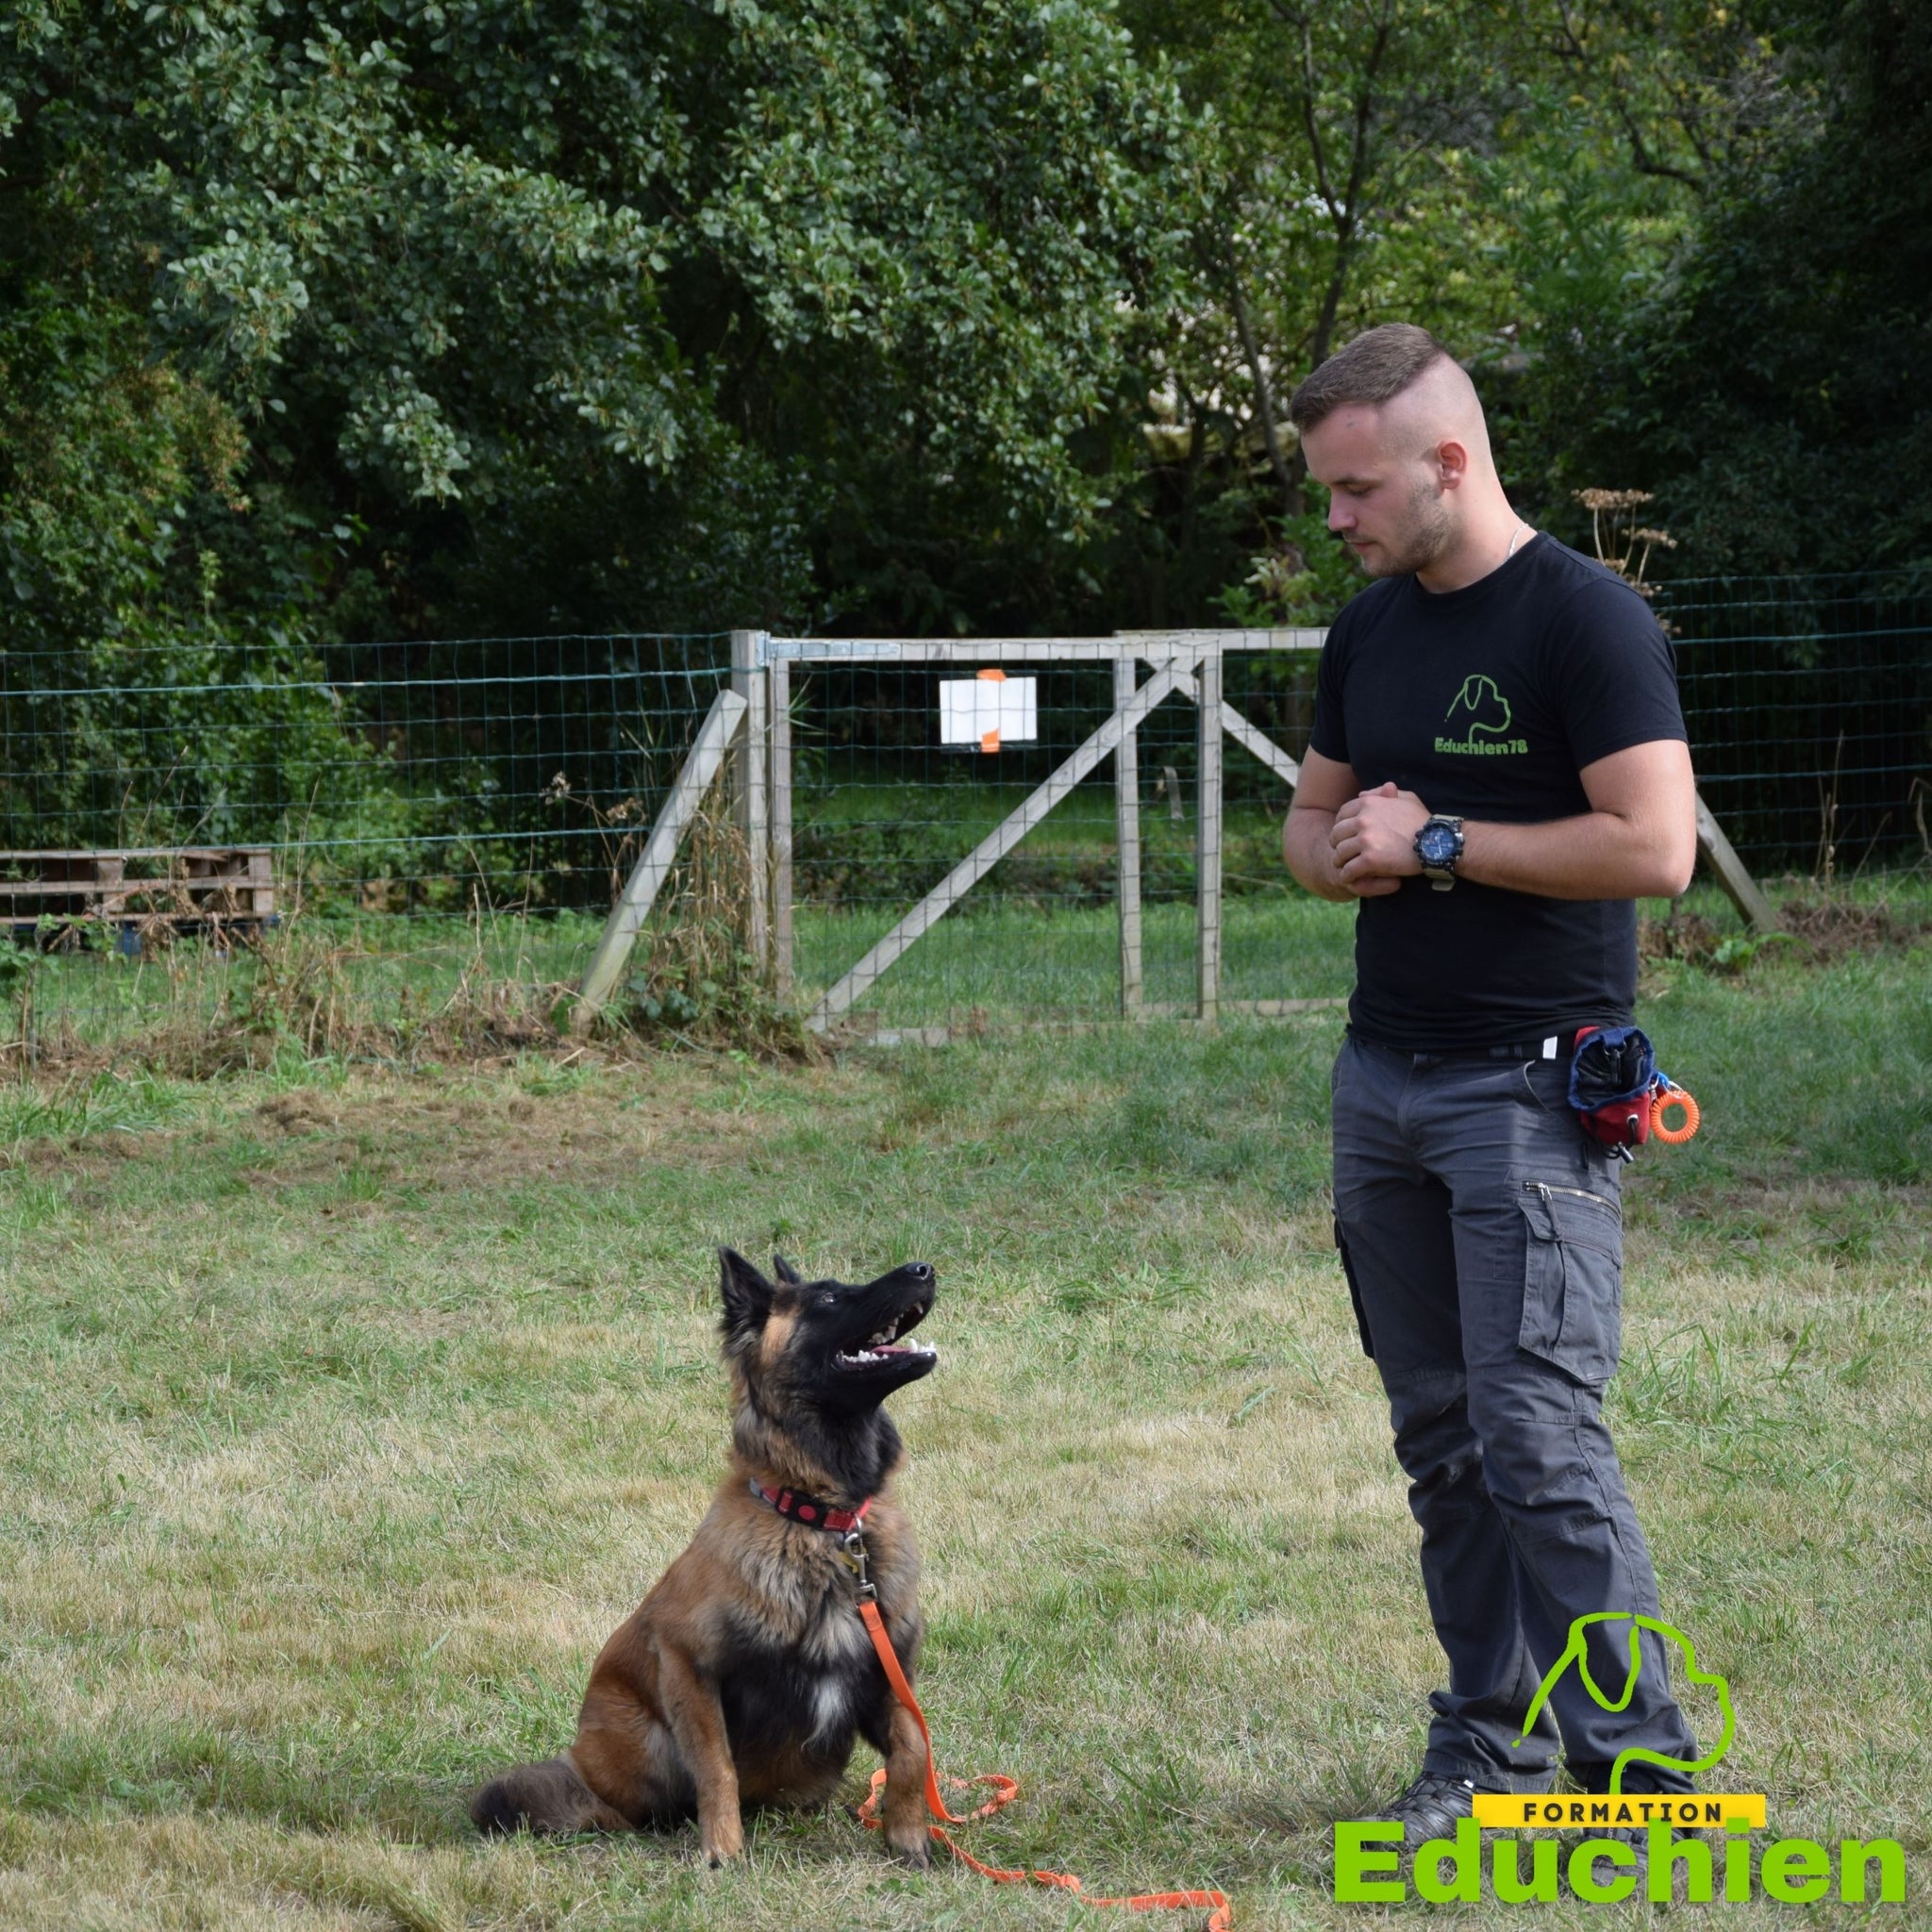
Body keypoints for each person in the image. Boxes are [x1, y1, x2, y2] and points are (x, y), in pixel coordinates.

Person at [1280, 324, 1702, 1849]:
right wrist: (1343, 854)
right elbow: (1310, 824)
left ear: (1448, 464)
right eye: (1328, 491)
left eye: (1357, 489)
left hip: (1528, 1096)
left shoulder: (1587, 620)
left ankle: (1644, 1772)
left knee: (1537, 1438)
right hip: (1380, 1084)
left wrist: (1439, 843)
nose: (1337, 518)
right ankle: (1491, 1745)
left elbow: (1654, 846)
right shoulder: (1368, 630)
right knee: (1443, 1444)